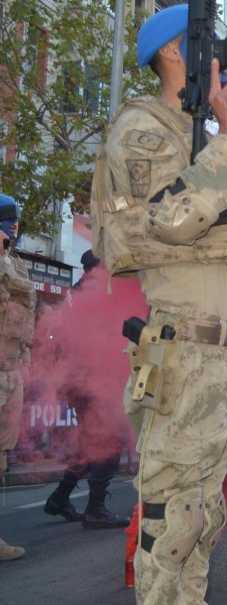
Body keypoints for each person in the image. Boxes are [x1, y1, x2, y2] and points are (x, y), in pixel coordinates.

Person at [90, 5, 227, 601]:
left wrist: (224, 138)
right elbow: (173, 219)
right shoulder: (143, 130)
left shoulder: (199, 134)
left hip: (222, 356)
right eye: (207, 44)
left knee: (201, 519)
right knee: (172, 523)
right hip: (185, 352)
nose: (223, 54)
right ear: (173, 52)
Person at [44, 251, 129, 530]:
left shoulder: (76, 293)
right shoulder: (95, 295)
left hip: (79, 382)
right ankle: (95, 510)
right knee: (108, 440)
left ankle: (60, 498)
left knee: (89, 443)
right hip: (93, 381)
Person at [0, 194, 36, 562]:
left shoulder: (15, 263)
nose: (13, 225)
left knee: (1, 460)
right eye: (6, 220)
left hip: (8, 373)